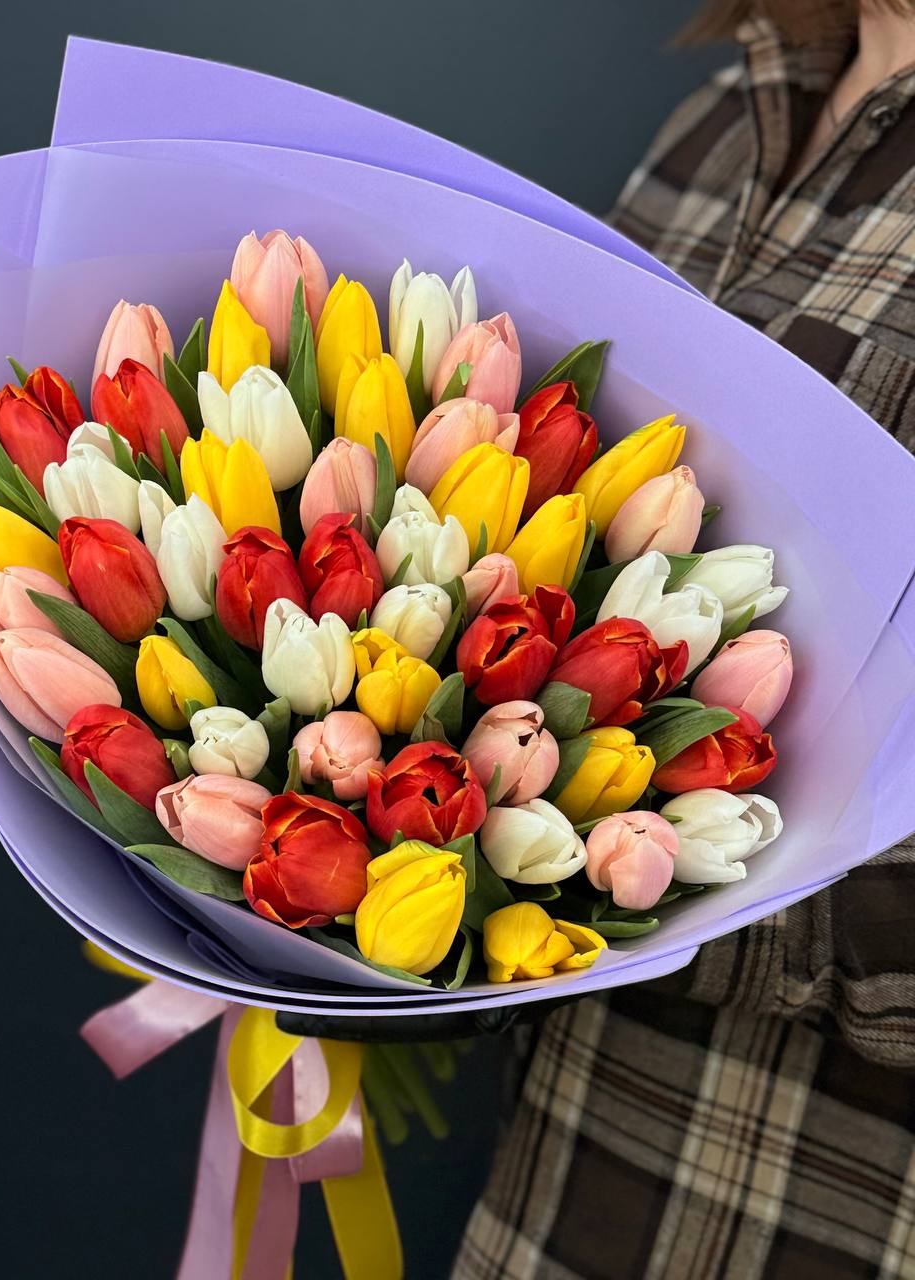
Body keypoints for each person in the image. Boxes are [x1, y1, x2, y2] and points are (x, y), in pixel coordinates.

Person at [286, 3, 915, 1276]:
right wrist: (347, 871)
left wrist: (602, 879)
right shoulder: (726, 117)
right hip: (569, 1190)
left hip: (820, 1215)